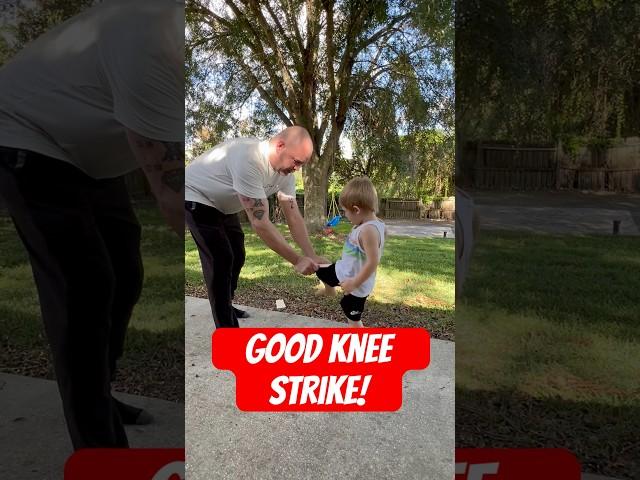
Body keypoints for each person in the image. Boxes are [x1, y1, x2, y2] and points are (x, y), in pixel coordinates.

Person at [0, 1, 184, 449]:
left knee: (125, 273)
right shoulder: (152, 37)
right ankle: (100, 452)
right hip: (24, 135)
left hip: (89, 157)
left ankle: (98, 394)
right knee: (84, 287)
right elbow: (174, 197)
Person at [185, 126, 329, 328]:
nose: (297, 168)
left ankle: (226, 302)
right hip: (195, 195)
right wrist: (296, 260)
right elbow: (260, 223)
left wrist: (310, 254)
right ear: (280, 145)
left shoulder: (285, 174)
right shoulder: (249, 158)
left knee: (238, 253)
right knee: (221, 259)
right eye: (296, 162)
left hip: (223, 205)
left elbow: (293, 215)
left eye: (301, 164)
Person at [316, 177, 386, 327]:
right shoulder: (367, 224)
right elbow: (355, 243)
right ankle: (330, 290)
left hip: (356, 283)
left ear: (356, 209)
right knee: (319, 264)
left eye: (345, 211)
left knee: (351, 316)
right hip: (344, 270)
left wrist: (354, 283)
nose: (345, 216)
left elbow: (373, 262)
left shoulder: (368, 230)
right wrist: (335, 236)